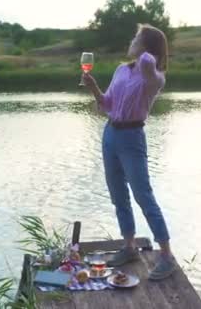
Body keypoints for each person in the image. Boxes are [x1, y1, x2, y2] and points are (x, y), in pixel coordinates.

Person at [81, 24, 175, 280]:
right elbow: (106, 103)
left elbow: (147, 61)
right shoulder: (122, 70)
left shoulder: (154, 76)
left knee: (143, 195)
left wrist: (149, 45)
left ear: (147, 47)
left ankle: (167, 255)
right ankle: (129, 246)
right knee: (118, 195)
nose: (131, 40)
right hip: (110, 133)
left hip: (132, 137)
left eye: (136, 37)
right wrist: (92, 86)